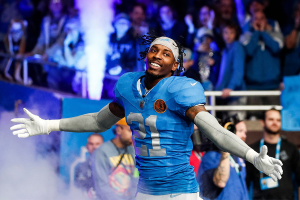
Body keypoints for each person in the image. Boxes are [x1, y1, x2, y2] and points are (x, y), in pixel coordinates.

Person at [10, 34, 283, 200]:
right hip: (145, 192)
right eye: (154, 49)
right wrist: (49, 125)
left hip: (181, 192)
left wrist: (251, 157)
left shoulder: (180, 90)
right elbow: (97, 121)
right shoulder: (128, 88)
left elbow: (216, 131)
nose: (158, 56)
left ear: (176, 66)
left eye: (167, 54)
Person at [246, 108, 300, 200]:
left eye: (278, 120)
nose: (275, 122)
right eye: (271, 119)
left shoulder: (291, 148)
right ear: (263, 122)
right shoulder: (253, 150)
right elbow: (245, 182)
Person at [240, 11, 283, 119]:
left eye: (261, 18)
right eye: (256, 19)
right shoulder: (245, 36)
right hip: (253, 88)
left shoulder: (276, 34)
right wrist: (256, 33)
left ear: (266, 20)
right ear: (251, 21)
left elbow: (276, 48)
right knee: (253, 121)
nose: (259, 21)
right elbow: (249, 51)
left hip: (273, 87)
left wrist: (263, 32)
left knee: (274, 119)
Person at [197, 116, 249, 200]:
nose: (244, 135)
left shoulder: (238, 157)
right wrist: (226, 147)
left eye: (245, 132)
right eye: (240, 131)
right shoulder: (211, 156)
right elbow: (220, 182)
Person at [91, 118, 138, 200]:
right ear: (119, 130)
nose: (133, 135)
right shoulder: (102, 152)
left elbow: (136, 177)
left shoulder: (133, 150)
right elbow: (102, 186)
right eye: (130, 131)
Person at [215, 21, 246, 120]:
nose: (228, 35)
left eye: (231, 32)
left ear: (236, 34)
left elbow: (238, 70)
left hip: (235, 94)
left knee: (236, 127)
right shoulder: (225, 50)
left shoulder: (237, 46)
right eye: (226, 32)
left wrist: (231, 87)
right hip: (226, 95)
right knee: (227, 128)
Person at [102, 13, 137, 99]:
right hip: (105, 77)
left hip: (122, 79)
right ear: (114, 24)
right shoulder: (107, 38)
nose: (122, 25)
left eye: (125, 23)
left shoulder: (132, 41)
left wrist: (121, 68)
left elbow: (133, 62)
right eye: (120, 22)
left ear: (129, 26)